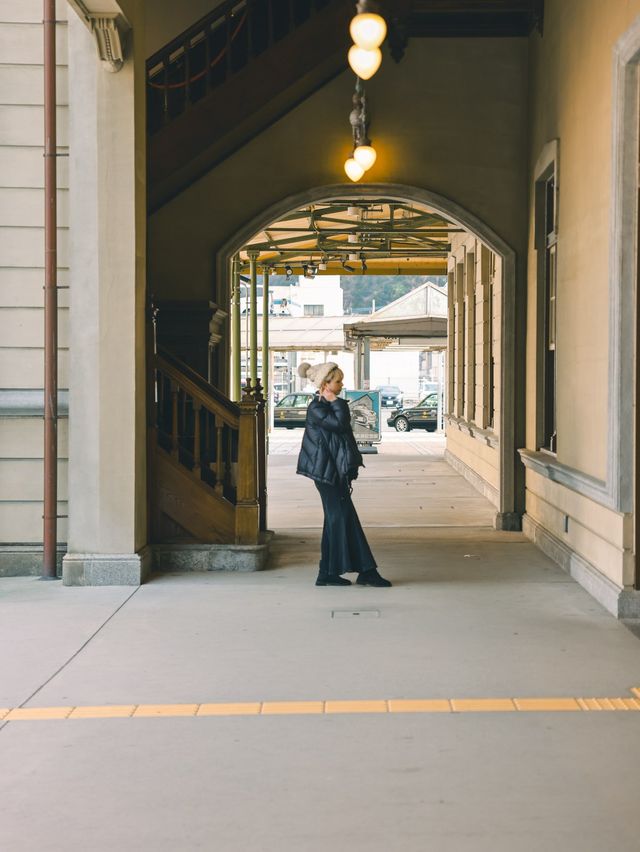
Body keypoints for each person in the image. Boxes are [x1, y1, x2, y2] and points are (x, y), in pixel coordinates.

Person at [296, 361, 392, 588]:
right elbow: (340, 424)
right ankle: (365, 571)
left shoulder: (325, 406)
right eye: (337, 381)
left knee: (337, 520)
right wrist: (336, 401)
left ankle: (328, 573)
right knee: (341, 518)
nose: (341, 384)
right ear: (325, 384)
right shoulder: (318, 408)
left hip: (333, 472)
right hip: (326, 474)